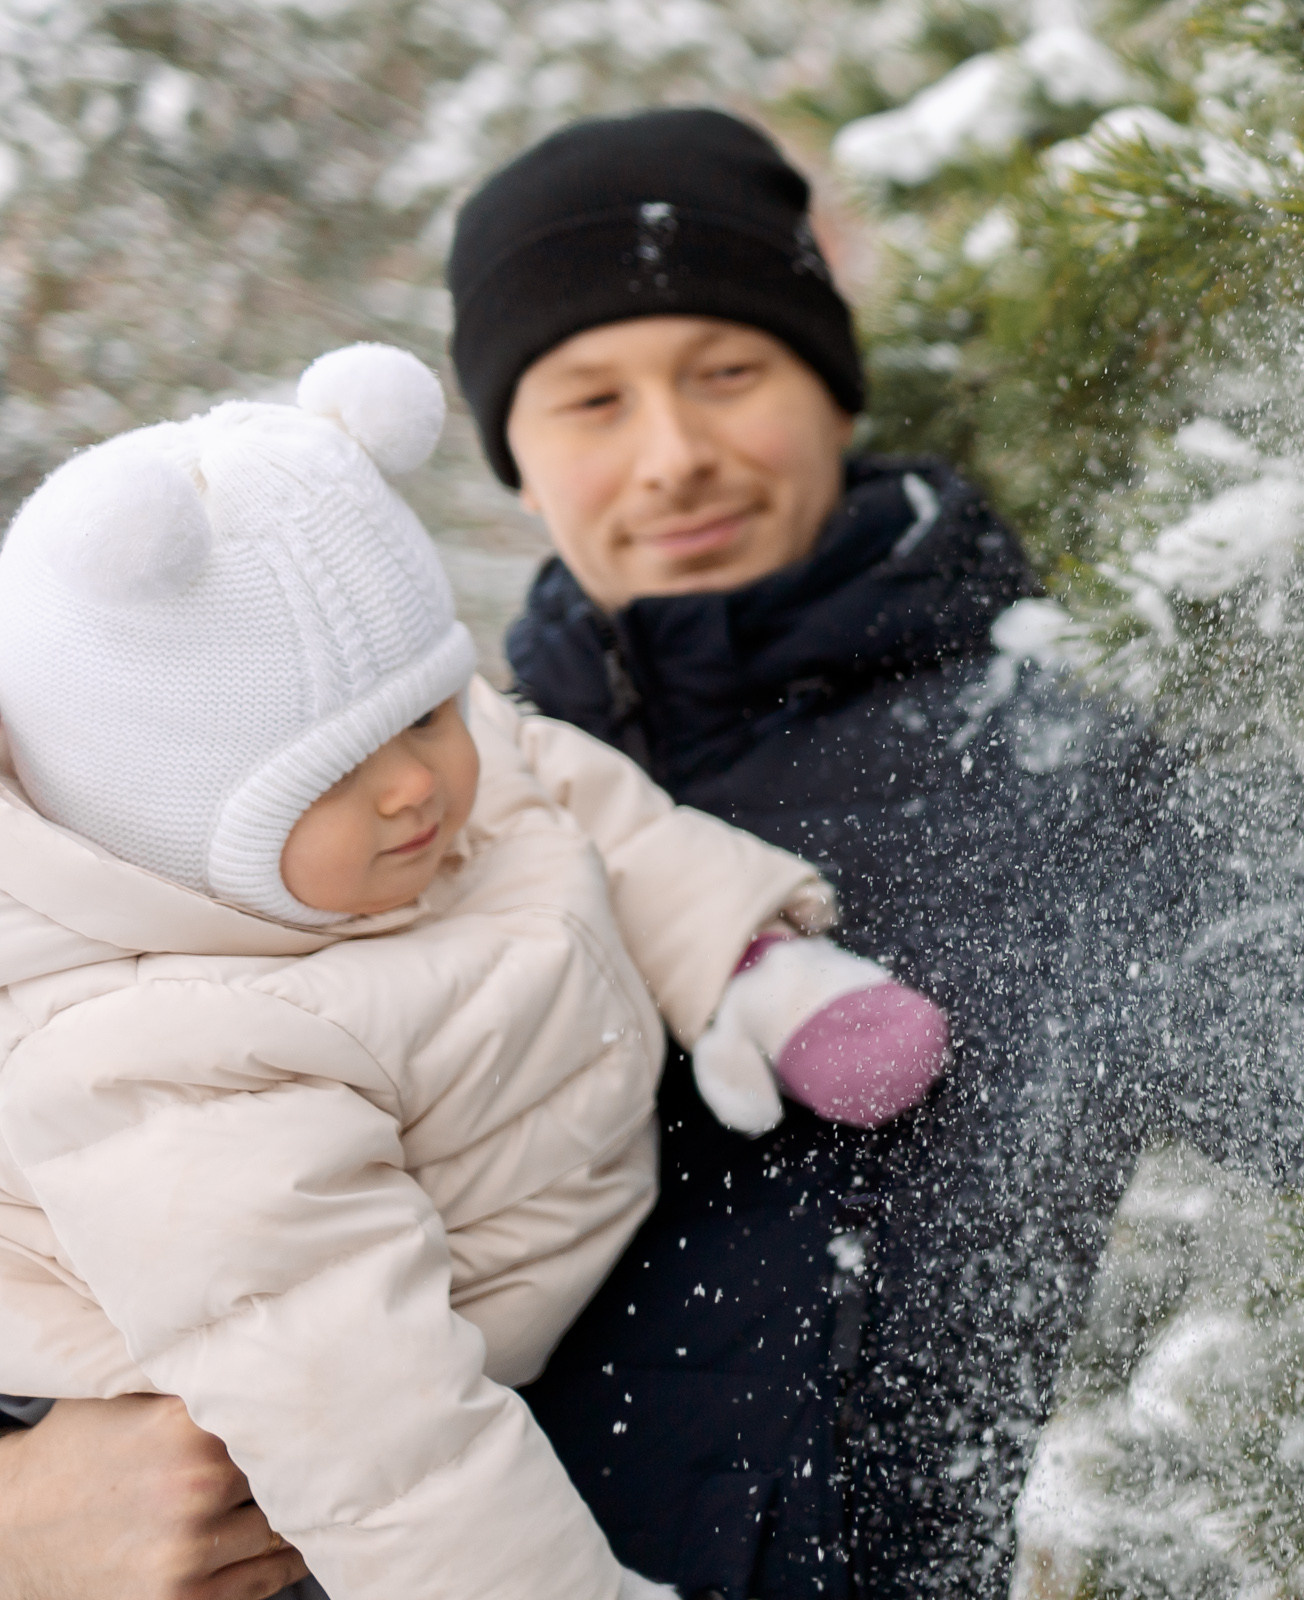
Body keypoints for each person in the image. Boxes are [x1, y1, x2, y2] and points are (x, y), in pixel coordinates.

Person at [0, 107, 1304, 1599]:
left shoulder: (1065, 779)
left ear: (829, 384)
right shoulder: (374, 824)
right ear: (515, 458)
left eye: (729, 371)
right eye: (590, 398)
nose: (673, 454)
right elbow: (87, 1177)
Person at [0, 346, 947, 1598]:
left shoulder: (416, 774)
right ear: (160, 815)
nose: (415, 782)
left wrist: (752, 967)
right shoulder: (167, 1063)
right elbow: (391, 1446)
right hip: (271, 1470)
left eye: (427, 712)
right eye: (330, 773)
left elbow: (583, 806)